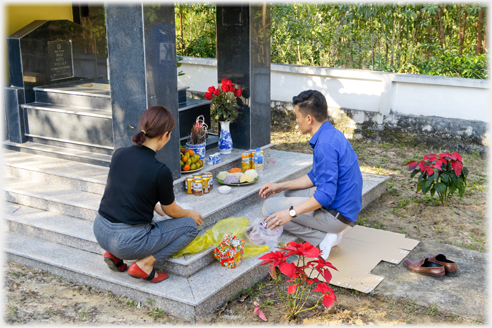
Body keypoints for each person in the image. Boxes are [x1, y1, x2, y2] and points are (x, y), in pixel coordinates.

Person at [93, 105, 203, 283]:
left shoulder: (119, 154)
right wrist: (189, 213)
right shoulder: (160, 170)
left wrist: (156, 207)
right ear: (165, 135)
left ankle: (113, 256)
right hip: (127, 242)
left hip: (100, 230)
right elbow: (172, 211)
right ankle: (145, 264)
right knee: (190, 227)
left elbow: (129, 190)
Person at [259, 90, 363, 260]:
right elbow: (315, 177)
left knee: (269, 208)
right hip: (344, 206)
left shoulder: (325, 145)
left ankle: (323, 238)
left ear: (309, 119)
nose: (296, 120)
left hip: (337, 215)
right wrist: (280, 186)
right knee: (290, 193)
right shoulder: (330, 134)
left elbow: (325, 195)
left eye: (297, 116)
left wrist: (290, 213)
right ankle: (327, 230)